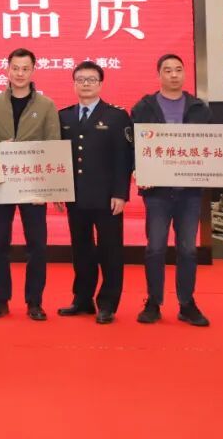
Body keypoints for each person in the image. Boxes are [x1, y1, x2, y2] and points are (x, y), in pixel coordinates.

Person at [130, 54, 211, 327]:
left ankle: (186, 304)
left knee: (188, 249)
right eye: (167, 70)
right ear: (159, 75)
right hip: (157, 193)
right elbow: (133, 146)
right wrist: (138, 169)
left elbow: (211, 145)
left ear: (184, 74)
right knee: (155, 248)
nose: (174, 75)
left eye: (178, 69)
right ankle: (153, 302)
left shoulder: (200, 108)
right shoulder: (144, 107)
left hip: (190, 192)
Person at [0, 48, 61, 321]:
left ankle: (34, 302)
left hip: (34, 185)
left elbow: (53, 145)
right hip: (0, 183)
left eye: (25, 68)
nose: (19, 73)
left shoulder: (46, 105)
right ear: (7, 69)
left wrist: (50, 188)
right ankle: (0, 299)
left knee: (37, 245)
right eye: (15, 68)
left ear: (33, 70)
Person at [57, 61, 131, 324]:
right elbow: (58, 157)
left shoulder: (116, 116)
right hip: (75, 196)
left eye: (91, 80)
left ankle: (108, 303)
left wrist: (120, 193)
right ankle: (82, 299)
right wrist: (58, 189)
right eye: (80, 79)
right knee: (81, 250)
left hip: (107, 197)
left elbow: (124, 158)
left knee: (110, 251)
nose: (85, 84)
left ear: (100, 84)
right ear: (74, 84)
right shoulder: (64, 116)